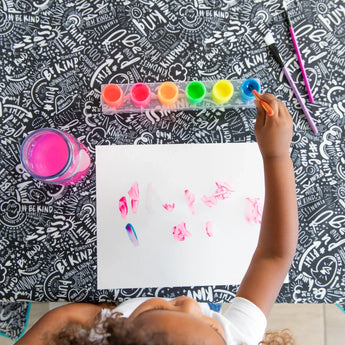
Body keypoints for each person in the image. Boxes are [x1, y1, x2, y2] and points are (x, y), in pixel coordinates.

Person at [16, 94, 298, 345]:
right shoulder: (238, 338)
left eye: (161, 309)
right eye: (212, 325)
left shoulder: (106, 331)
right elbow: (274, 256)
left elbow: (66, 317)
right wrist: (276, 155)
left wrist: (99, 315)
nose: (189, 303)